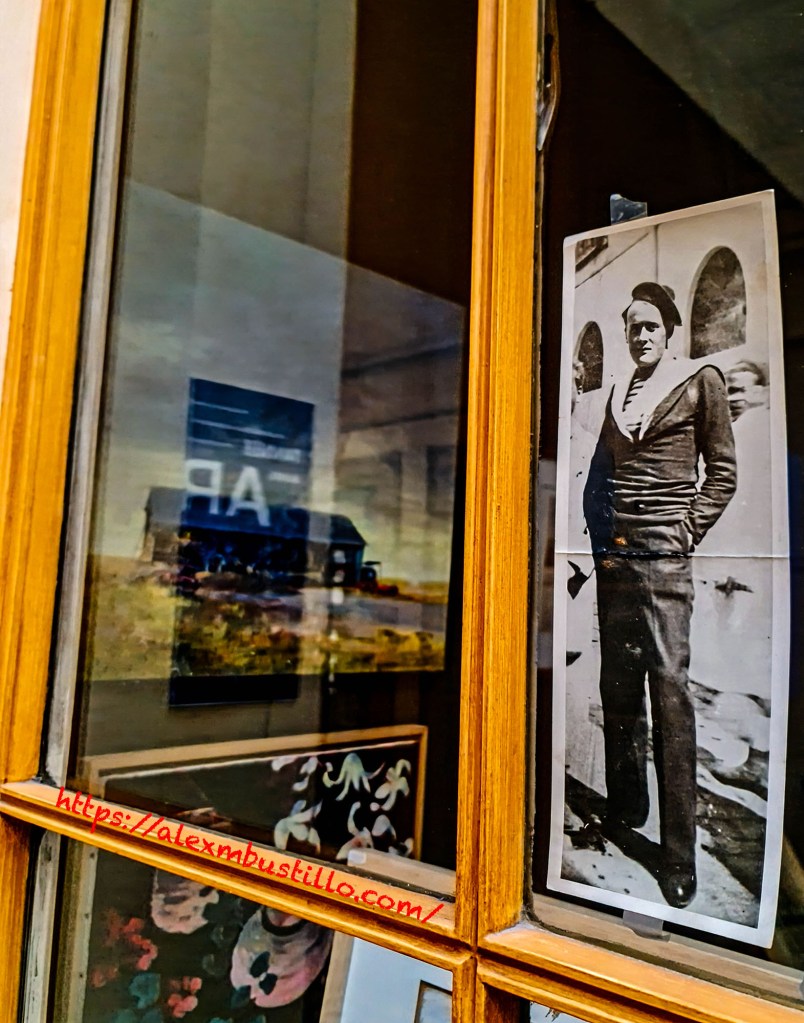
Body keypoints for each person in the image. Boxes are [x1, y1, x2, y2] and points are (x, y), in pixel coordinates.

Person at [583, 282, 737, 908]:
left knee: (670, 695)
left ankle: (677, 857)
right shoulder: (620, 393)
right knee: (618, 687)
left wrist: (684, 532)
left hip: (665, 561)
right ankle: (627, 807)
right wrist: (602, 548)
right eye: (632, 328)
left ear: (670, 330)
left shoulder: (701, 381)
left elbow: (722, 474)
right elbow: (598, 480)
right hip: (618, 562)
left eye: (650, 327)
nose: (640, 337)